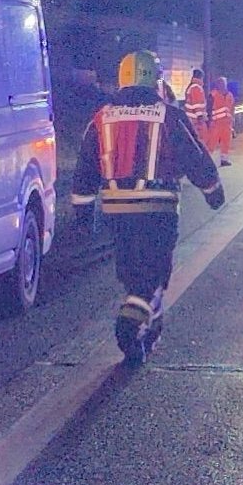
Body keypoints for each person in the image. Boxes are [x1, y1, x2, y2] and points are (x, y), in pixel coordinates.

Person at [65, 50, 224, 364]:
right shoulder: (168, 115)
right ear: (156, 80)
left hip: (117, 214)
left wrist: (83, 214)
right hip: (158, 210)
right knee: (153, 275)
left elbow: (85, 170)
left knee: (133, 273)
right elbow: (194, 157)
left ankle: (148, 330)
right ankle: (130, 326)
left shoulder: (101, 117)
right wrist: (213, 191)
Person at [206, 76, 236, 165]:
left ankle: (224, 160)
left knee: (226, 142)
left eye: (223, 83)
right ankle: (207, 161)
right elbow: (209, 108)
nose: (222, 85)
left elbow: (232, 107)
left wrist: (232, 118)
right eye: (220, 83)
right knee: (212, 143)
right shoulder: (213, 95)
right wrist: (209, 120)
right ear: (218, 85)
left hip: (227, 124)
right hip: (216, 124)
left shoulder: (229, 95)